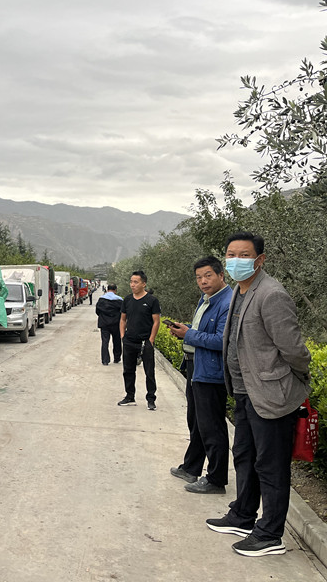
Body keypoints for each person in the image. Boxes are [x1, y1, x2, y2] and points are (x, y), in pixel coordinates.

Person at [205, 232, 311, 557]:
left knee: (271, 465)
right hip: (244, 392)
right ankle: (242, 515)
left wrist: (294, 380)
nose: (236, 261)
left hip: (270, 395)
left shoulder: (271, 294)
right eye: (231, 255)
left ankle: (269, 534)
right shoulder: (240, 291)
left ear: (260, 260)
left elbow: (294, 350)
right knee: (245, 455)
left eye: (244, 255)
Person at [167, 256, 232, 494]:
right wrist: (184, 331)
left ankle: (216, 479)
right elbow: (200, 331)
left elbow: (222, 341)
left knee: (212, 426)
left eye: (208, 276)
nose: (203, 281)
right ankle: (191, 467)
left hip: (211, 372)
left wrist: (189, 335)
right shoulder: (206, 299)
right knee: (196, 421)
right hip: (196, 366)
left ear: (220, 275)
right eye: (198, 277)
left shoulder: (227, 302)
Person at [118, 270, 161, 410]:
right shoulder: (127, 300)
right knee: (128, 370)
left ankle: (151, 399)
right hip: (129, 341)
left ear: (144, 284)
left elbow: (156, 321)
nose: (132, 285)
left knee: (149, 372)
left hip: (145, 342)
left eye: (136, 282)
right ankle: (130, 396)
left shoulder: (152, 300)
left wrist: (151, 340)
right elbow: (123, 319)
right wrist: (123, 336)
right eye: (131, 282)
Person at [96, 284, 123, 366]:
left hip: (104, 323)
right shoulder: (119, 300)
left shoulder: (101, 300)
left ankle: (105, 360)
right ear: (115, 290)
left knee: (105, 341)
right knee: (117, 341)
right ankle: (117, 358)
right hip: (116, 323)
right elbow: (123, 312)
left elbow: (97, 311)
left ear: (107, 290)